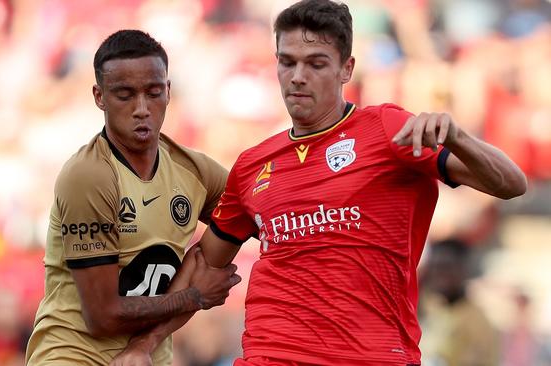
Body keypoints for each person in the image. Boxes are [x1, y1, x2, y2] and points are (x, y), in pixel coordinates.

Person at [113, 1, 527, 365]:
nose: (297, 76)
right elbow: (206, 263)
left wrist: (458, 137)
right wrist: (145, 344)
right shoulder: (252, 165)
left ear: (346, 68)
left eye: (315, 63)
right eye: (287, 61)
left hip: (370, 356)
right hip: (270, 354)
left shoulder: (386, 129)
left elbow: (511, 184)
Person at [25, 30, 241, 366]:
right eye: (125, 95)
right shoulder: (89, 176)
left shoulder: (194, 172)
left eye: (153, 93)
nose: (142, 108)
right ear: (99, 96)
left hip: (148, 358)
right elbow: (102, 315)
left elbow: (260, 217)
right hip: (73, 355)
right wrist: (194, 296)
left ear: (168, 92)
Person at [419, 238, 501, 366]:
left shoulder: (478, 324)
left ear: (464, 270)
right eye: (434, 267)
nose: (438, 275)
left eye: (445, 268)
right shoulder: (432, 311)